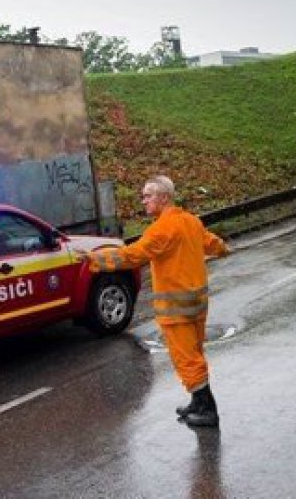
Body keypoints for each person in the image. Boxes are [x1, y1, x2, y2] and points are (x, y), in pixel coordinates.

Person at [79, 175, 229, 428]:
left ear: (164, 197)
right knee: (194, 353)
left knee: (186, 358)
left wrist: (94, 260)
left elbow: (132, 255)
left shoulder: (162, 229)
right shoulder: (190, 221)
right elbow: (211, 242)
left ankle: (207, 409)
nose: (144, 200)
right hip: (197, 304)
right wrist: (224, 249)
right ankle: (197, 401)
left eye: (148, 195)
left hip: (176, 310)